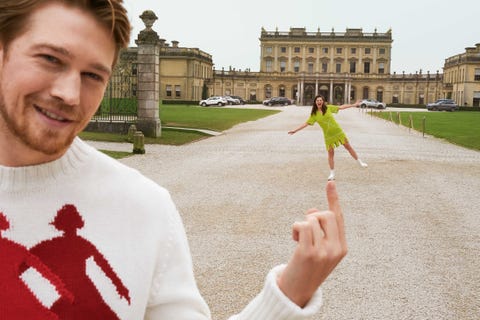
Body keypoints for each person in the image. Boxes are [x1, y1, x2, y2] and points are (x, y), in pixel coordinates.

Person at [0, 1, 347, 319]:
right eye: (50, 59)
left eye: (93, 75)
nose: (70, 94)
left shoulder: (144, 206)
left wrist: (290, 292)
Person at [289, 95, 368, 181]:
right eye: (317, 100)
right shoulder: (314, 115)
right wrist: (295, 130)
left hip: (338, 132)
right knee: (331, 154)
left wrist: (353, 105)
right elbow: (306, 124)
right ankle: (332, 173)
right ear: (315, 103)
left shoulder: (328, 108)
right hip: (328, 135)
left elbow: (341, 107)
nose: (319, 102)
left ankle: (360, 162)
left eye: (320, 100)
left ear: (323, 101)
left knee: (348, 147)